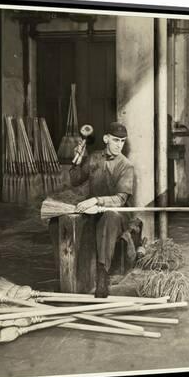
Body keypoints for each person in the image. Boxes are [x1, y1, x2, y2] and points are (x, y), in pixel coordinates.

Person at [69, 122, 135, 297]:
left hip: (119, 215)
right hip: (93, 211)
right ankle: (74, 277)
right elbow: (75, 181)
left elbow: (120, 200)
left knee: (109, 217)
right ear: (106, 139)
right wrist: (77, 160)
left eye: (122, 141)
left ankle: (102, 277)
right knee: (67, 220)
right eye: (115, 140)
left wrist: (96, 200)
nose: (119, 144)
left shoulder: (125, 166)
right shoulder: (94, 158)